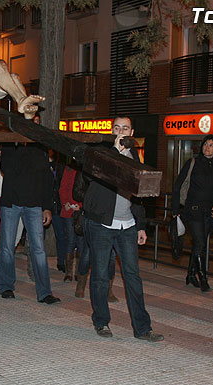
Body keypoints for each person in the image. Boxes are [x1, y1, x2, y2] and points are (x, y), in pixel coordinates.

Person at [82, 116, 163, 341]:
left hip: (127, 224)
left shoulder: (135, 157)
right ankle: (101, 322)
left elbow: (139, 194)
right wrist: (115, 154)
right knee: (100, 275)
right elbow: (90, 177)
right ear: (111, 130)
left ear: (131, 132)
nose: (120, 131)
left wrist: (141, 225)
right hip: (102, 224)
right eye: (117, 128)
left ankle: (143, 328)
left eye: (125, 128)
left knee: (133, 276)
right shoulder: (101, 153)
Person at [0, 142, 60, 304]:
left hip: (34, 204)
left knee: (39, 248)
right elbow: (7, 168)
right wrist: (18, 145)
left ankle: (44, 292)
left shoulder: (40, 147)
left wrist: (47, 207)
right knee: (7, 246)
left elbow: (46, 180)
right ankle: (6, 286)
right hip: (11, 201)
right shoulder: (10, 144)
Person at [171, 134, 213, 292]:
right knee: (201, 242)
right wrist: (175, 210)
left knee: (199, 244)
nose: (207, 147)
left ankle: (190, 274)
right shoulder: (193, 163)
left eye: (211, 145)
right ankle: (203, 277)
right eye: (205, 144)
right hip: (192, 210)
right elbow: (178, 186)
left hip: (209, 212)